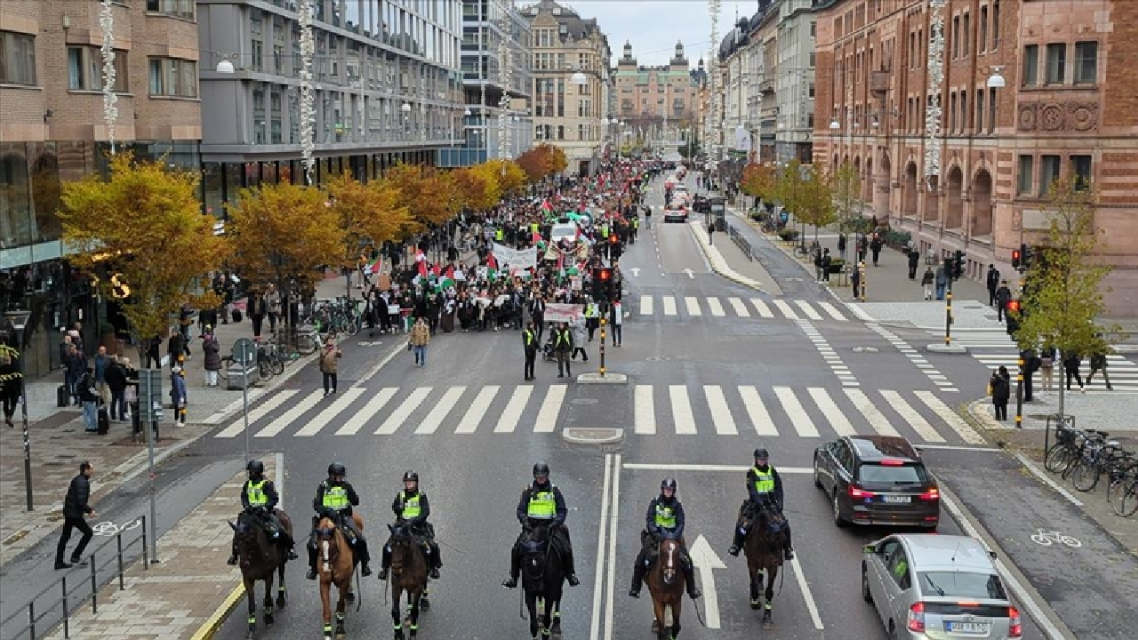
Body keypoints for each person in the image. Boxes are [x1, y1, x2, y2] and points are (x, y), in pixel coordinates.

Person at [502, 462, 580, 589]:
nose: (541, 479)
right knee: (516, 549)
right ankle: (513, 577)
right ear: (534, 476)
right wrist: (526, 523)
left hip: (550, 527)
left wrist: (555, 523)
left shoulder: (554, 491)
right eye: (538, 476)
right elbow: (521, 510)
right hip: (532, 527)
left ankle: (570, 574)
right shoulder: (529, 491)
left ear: (547, 475)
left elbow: (562, 510)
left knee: (565, 548)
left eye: (543, 476)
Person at [628, 478, 701, 600]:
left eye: (670, 490)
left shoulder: (677, 506)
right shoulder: (655, 503)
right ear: (662, 490)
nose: (668, 492)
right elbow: (650, 520)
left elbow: (680, 523)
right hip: (656, 538)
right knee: (640, 561)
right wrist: (657, 534)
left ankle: (691, 589)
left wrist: (674, 536)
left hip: (674, 538)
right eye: (666, 490)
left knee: (687, 562)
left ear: (673, 491)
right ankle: (635, 587)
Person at [307, 462, 372, 579]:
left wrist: (350, 496)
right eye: (339, 476)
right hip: (327, 518)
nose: (341, 478)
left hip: (343, 518)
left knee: (359, 539)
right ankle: (313, 569)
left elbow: (355, 501)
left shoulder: (345, 486)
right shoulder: (323, 486)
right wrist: (327, 511)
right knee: (312, 544)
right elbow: (316, 505)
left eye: (342, 476)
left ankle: (365, 565)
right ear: (332, 476)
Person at [727, 449, 794, 561]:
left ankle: (788, 549)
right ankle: (736, 546)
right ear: (756, 460)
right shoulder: (752, 472)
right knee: (743, 526)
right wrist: (760, 504)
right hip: (756, 505)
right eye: (760, 459)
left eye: (764, 459)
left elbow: (778, 487)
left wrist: (780, 503)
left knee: (785, 526)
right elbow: (752, 490)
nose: (762, 461)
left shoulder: (772, 470)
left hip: (771, 504)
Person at [228, 459, 297, 565]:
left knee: (278, 528)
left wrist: (265, 507)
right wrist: (246, 506)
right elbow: (244, 497)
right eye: (249, 472)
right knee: (239, 530)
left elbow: (273, 498)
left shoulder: (267, 484)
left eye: (252, 472)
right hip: (250, 513)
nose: (250, 474)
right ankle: (234, 555)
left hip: (264, 513)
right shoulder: (248, 484)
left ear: (258, 472)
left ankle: (290, 548)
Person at [378, 471, 442, 581]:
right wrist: (399, 508)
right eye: (407, 482)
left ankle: (434, 567)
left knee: (432, 546)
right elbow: (395, 508)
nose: (408, 485)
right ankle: (385, 569)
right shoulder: (401, 495)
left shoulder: (421, 495)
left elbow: (425, 512)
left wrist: (414, 521)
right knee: (387, 547)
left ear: (416, 483)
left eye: (411, 482)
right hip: (402, 527)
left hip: (417, 527)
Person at [56, 461, 97, 570]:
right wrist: (90, 511)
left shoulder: (78, 479)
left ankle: (59, 561)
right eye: (91, 469)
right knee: (88, 533)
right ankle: (75, 556)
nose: (93, 471)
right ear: (86, 470)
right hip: (74, 514)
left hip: (70, 512)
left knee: (64, 537)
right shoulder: (82, 483)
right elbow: (80, 501)